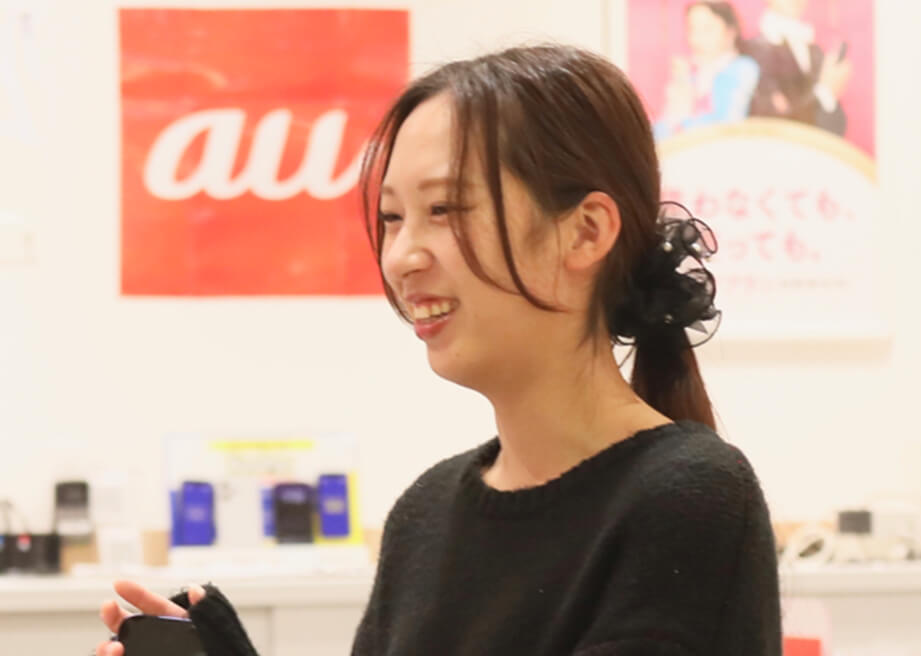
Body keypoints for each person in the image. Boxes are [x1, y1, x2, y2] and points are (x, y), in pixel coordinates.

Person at [95, 44, 782, 656]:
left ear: (585, 232)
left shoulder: (688, 499)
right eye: (393, 217)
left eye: (444, 210)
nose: (401, 256)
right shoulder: (424, 515)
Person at [654, 1, 760, 140]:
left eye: (707, 29)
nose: (696, 38)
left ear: (730, 32)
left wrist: (680, 124)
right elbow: (660, 130)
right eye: (692, 29)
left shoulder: (742, 68)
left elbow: (726, 124)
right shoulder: (690, 75)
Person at [744, 0, 851, 136]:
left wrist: (829, 96)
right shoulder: (754, 50)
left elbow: (836, 128)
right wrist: (824, 92)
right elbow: (773, 122)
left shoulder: (815, 51)